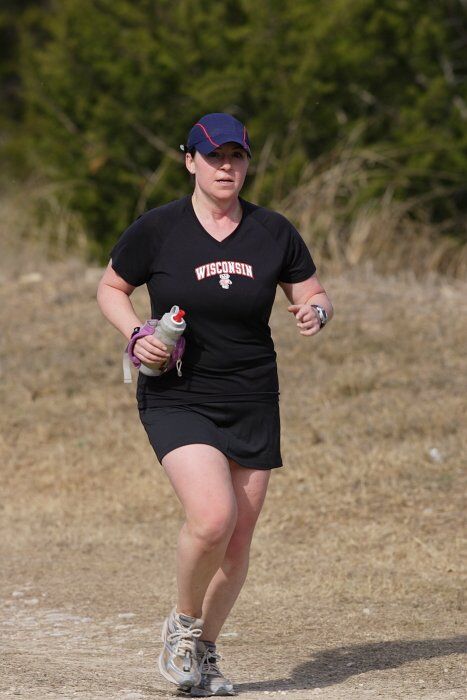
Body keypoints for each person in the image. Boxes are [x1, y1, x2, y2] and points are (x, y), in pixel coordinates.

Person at [97, 112, 333, 697]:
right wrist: (134, 334)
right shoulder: (158, 229)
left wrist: (316, 311)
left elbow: (311, 289)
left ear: (248, 162)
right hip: (177, 392)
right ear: (189, 161)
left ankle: (204, 655)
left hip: (252, 395)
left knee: (238, 538)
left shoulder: (273, 231)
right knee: (212, 517)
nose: (225, 167)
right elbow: (111, 288)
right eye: (213, 157)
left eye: (236, 157)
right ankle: (181, 628)